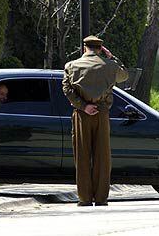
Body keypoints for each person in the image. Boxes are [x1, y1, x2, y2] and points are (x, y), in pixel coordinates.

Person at [62, 35, 128, 207]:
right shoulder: (110, 66)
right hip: (102, 112)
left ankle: (84, 197)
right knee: (102, 157)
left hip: (82, 114)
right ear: (100, 49)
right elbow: (124, 76)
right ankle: (101, 198)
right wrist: (112, 57)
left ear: (84, 48)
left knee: (82, 156)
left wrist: (83, 106)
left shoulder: (71, 66)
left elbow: (66, 89)